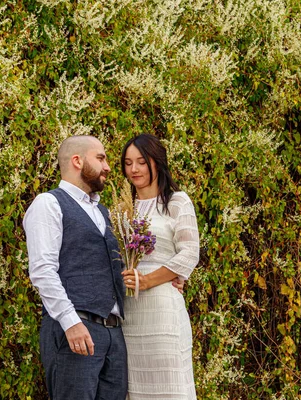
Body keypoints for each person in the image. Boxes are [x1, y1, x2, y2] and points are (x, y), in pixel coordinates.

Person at [23, 135, 128, 400]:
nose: (108, 167)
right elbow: (43, 270)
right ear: (77, 161)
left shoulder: (104, 212)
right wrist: (71, 323)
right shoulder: (49, 203)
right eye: (101, 158)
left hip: (114, 335)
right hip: (75, 330)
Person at [120, 133, 200, 399]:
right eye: (128, 163)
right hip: (129, 312)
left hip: (163, 310)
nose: (134, 169)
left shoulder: (177, 202)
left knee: (169, 385)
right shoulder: (122, 210)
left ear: (157, 162)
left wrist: (150, 280)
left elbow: (189, 253)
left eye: (141, 162)